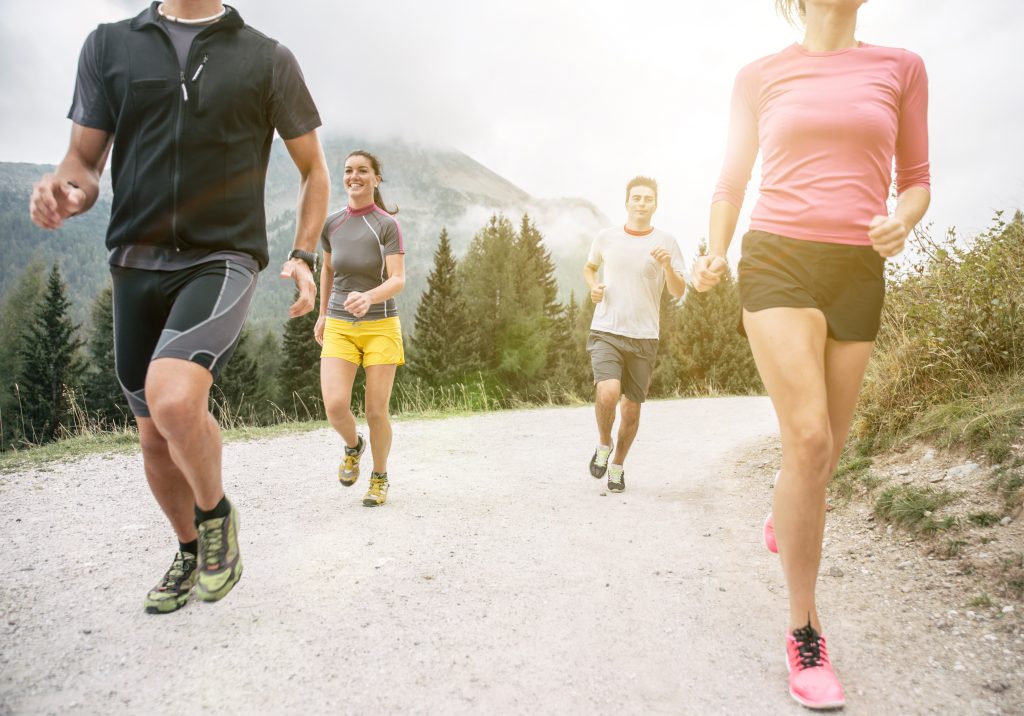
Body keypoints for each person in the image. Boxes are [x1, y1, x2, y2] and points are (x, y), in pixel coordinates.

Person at [29, 0, 330, 614]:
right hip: (135, 262)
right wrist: (67, 189)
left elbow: (313, 170)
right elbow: (84, 163)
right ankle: (190, 549)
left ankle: (216, 514)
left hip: (222, 256)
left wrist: (303, 254)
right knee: (153, 438)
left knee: (172, 398)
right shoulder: (110, 45)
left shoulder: (268, 59)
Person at [692, 0, 930, 708]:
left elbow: (916, 177)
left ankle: (789, 505)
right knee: (809, 436)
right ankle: (805, 631)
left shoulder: (902, 67)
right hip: (777, 259)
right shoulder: (760, 75)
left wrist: (902, 220)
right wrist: (714, 250)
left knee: (820, 460)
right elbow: (731, 179)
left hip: (857, 266)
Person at [584, 177, 687, 493]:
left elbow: (678, 289)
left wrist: (668, 266)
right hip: (606, 329)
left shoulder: (666, 242)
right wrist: (594, 288)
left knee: (631, 409)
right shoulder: (606, 237)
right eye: (636, 198)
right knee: (608, 393)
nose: (641, 203)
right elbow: (590, 268)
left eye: (648, 199)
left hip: (644, 337)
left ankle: (617, 466)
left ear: (656, 204)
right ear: (627, 202)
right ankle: (604, 444)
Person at [314, 151, 406, 508]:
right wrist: (322, 314)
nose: (355, 176)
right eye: (349, 170)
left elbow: (398, 279)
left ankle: (379, 475)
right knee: (335, 405)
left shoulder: (386, 224)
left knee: (375, 411)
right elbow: (327, 270)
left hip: (381, 325)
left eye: (363, 171)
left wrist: (368, 297)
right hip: (339, 323)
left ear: (376, 179)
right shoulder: (332, 223)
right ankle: (353, 446)